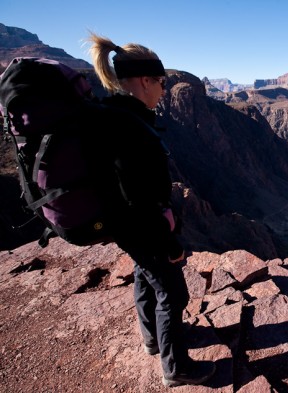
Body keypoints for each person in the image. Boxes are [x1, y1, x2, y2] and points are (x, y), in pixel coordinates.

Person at [86, 32, 215, 388]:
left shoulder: (117, 115)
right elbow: (137, 198)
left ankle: (153, 340)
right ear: (144, 80)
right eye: (160, 82)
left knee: (146, 276)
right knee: (174, 294)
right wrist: (170, 243)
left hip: (128, 225)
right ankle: (176, 368)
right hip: (141, 225)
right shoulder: (129, 125)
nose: (164, 90)